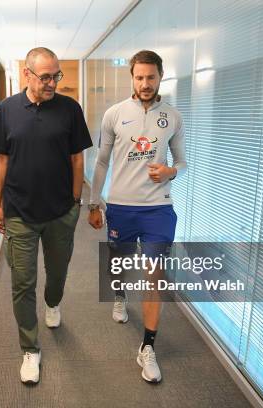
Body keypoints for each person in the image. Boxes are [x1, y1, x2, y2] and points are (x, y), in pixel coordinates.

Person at [0, 47, 92, 384]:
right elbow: (1, 160)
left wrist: (76, 202)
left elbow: (77, 158)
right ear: (27, 75)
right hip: (19, 213)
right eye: (45, 76)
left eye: (56, 76)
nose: (52, 83)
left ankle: (53, 302)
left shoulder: (70, 109)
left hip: (61, 211)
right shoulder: (6, 110)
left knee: (58, 272)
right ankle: (30, 350)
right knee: (22, 283)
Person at [88, 50, 186, 383]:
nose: (145, 83)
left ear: (161, 77)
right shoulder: (115, 114)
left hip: (158, 208)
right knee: (120, 261)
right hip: (121, 206)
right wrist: (92, 203)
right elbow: (101, 162)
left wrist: (171, 170)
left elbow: (183, 162)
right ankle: (118, 295)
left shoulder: (172, 116)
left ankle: (148, 346)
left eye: (151, 77)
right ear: (132, 77)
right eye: (139, 77)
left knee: (154, 274)